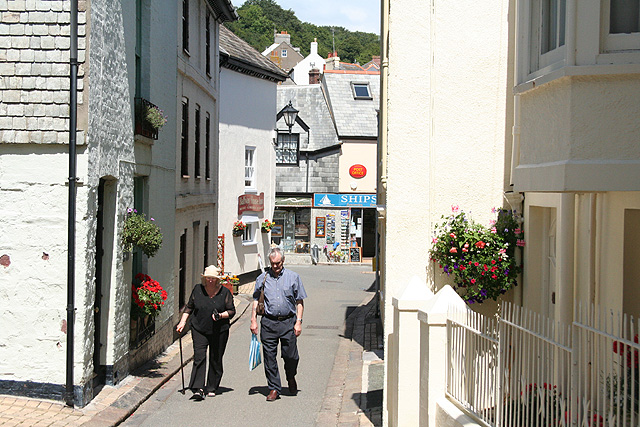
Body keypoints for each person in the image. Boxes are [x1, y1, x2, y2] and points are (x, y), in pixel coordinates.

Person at [250, 247, 307, 401]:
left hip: (288, 322)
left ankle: (290, 376)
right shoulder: (262, 278)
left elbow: (299, 301)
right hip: (269, 323)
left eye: (278, 263)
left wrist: (299, 322)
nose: (275, 266)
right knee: (269, 357)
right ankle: (274, 388)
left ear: (283, 261)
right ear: (270, 262)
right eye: (273, 263)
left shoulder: (293, 277)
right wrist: (253, 320)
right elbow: (256, 300)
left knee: (291, 356)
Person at [176, 265, 235, 400]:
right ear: (204, 278)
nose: (210, 281)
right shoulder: (198, 290)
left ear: (217, 280)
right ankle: (198, 388)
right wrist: (182, 322)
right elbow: (189, 307)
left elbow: (232, 311)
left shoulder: (224, 292)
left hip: (219, 330)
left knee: (215, 358)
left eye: (213, 278)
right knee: (199, 356)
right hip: (199, 328)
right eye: (208, 278)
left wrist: (220, 315)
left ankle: (212, 386)